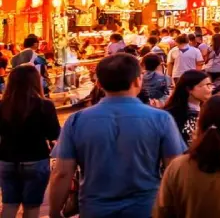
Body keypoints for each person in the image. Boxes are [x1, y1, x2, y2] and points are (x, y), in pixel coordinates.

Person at [48, 53, 187, 218]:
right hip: (146, 207)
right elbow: (174, 169)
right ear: (137, 81)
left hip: (95, 208)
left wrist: (54, 211)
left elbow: (62, 172)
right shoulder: (161, 119)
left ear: (98, 84)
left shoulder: (76, 120)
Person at [0, 64, 60, 218]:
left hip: (6, 158)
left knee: (9, 203)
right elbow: (54, 133)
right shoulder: (44, 105)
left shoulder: (2, 105)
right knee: (32, 206)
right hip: (36, 158)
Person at [165, 70, 214, 146]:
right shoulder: (173, 115)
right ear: (189, 89)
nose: (210, 89)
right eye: (207, 85)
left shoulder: (210, 112)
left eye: (210, 85)